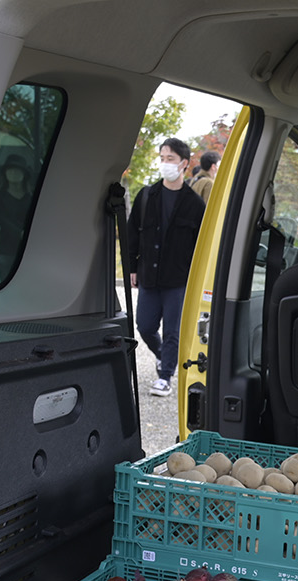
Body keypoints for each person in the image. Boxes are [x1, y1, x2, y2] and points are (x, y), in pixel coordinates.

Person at [127, 137, 205, 397]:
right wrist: (131, 267)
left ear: (184, 163)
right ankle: (164, 357)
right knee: (145, 326)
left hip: (178, 278)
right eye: (162, 158)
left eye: (170, 159)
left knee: (173, 330)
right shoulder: (147, 195)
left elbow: (199, 246)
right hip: (149, 273)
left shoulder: (194, 204)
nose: (165, 163)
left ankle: (165, 376)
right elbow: (132, 234)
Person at [0, 153, 33, 281]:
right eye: (11, 170)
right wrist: (20, 233)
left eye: (18, 170)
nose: (14, 173)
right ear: (5, 173)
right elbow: (2, 219)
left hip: (28, 250)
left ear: (24, 174)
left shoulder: (30, 197)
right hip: (7, 249)